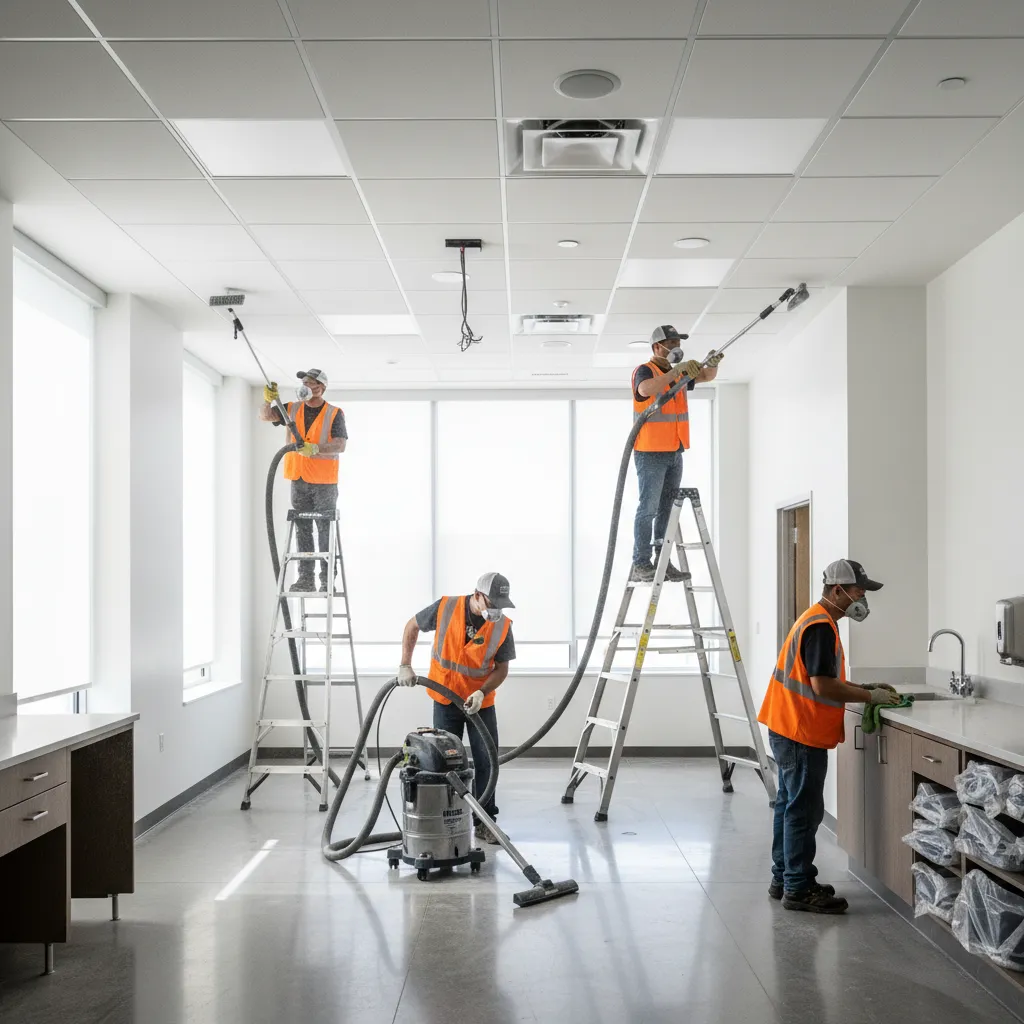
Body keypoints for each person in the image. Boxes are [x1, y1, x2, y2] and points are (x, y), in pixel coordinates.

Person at [758, 559, 899, 914]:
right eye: (858, 590)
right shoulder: (821, 626)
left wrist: (860, 687)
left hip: (786, 725)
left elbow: (819, 677)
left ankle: (785, 877)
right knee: (804, 810)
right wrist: (870, 697)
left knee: (790, 806)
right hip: (800, 731)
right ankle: (799, 888)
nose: (862, 597)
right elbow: (821, 685)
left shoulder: (816, 619)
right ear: (837, 590)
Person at [397, 572, 516, 844]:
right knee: (441, 761)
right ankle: (442, 818)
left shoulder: (503, 626)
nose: (496, 611)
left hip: (479, 702)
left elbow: (502, 669)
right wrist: (405, 663)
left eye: (501, 605)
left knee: (487, 760)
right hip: (445, 698)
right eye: (492, 604)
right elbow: (411, 626)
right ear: (477, 595)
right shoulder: (445, 607)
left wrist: (481, 690)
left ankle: (485, 821)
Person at [630, 325, 722, 583]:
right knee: (648, 508)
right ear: (656, 347)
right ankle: (640, 562)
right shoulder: (645, 370)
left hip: (674, 450)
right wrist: (677, 371)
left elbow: (705, 376)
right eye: (669, 342)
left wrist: (713, 364)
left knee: (666, 509)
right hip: (650, 452)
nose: (674, 346)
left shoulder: (676, 373)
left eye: (676, 342)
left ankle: (662, 561)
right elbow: (645, 390)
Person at [259, 369, 348, 592]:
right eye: (304, 382)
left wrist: (316, 448)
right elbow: (265, 416)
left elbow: (340, 445)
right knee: (303, 529)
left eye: (312, 383)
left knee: (324, 528)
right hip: (298, 479)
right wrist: (267, 400)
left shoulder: (334, 413)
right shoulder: (292, 408)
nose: (307, 386)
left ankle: (327, 580)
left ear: (322, 387)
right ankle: (305, 579)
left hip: (324, 482)